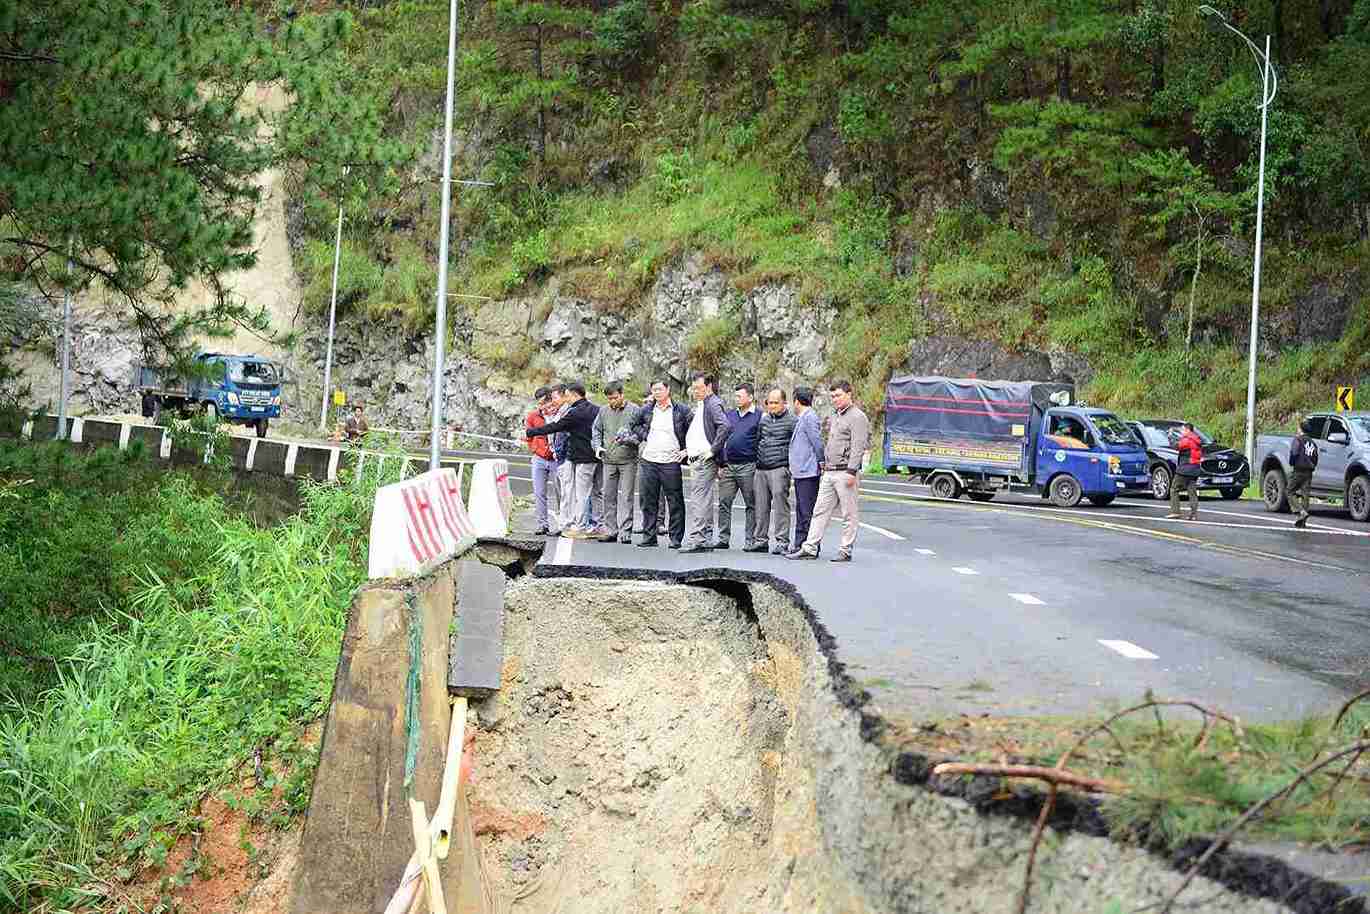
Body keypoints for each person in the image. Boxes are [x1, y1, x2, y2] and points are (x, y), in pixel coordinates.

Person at [789, 380, 869, 563]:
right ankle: (809, 546)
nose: (835, 399)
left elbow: (858, 445)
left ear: (849, 394)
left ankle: (845, 549)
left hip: (845, 471)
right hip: (830, 470)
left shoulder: (857, 417)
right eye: (832, 396)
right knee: (819, 510)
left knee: (848, 513)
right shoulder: (835, 415)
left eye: (838, 395)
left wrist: (852, 470)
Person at [619, 379, 692, 548]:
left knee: (675, 501)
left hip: (671, 461)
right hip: (649, 460)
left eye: (660, 389)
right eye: (654, 390)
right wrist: (645, 434)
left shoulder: (681, 410)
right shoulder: (647, 409)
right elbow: (632, 424)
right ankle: (649, 536)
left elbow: (693, 430)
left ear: (668, 390)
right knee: (648, 500)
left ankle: (675, 539)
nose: (657, 393)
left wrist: (686, 450)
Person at [526, 382, 599, 538]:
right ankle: (578, 523)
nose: (559, 399)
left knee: (578, 493)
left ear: (573, 395)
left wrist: (531, 432)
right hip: (580, 456)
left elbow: (555, 427)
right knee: (579, 493)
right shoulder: (594, 409)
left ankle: (580, 525)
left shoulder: (573, 412)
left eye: (563, 395)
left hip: (577, 457)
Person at [680, 372, 730, 554]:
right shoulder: (704, 404)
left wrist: (712, 450)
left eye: (699, 388)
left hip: (703, 460)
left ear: (709, 387)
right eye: (694, 388)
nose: (696, 392)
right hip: (698, 458)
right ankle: (705, 537)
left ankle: (698, 539)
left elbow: (725, 426)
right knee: (704, 498)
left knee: (699, 499)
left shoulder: (713, 403)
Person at [591, 382, 641, 544]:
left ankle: (626, 531)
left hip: (628, 461)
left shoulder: (634, 410)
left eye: (615, 398)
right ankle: (611, 530)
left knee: (626, 497)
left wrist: (630, 440)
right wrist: (597, 446)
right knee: (608, 496)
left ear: (622, 394)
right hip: (608, 461)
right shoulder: (603, 411)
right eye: (609, 399)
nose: (612, 401)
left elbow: (641, 434)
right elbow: (596, 430)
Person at [750, 388, 797, 555]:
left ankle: (782, 541)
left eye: (776, 402)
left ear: (785, 402)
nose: (772, 406)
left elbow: (796, 446)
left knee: (780, 506)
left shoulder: (792, 421)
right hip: (761, 469)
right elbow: (757, 440)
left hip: (779, 468)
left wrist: (789, 468)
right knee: (761, 507)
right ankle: (761, 540)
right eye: (770, 402)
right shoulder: (764, 421)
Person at [715, 383, 761, 549]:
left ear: (750, 397)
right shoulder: (729, 415)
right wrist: (720, 463)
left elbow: (761, 441)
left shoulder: (759, 416)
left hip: (749, 466)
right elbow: (720, 439)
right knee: (724, 502)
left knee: (751, 504)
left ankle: (750, 540)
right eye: (735, 396)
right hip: (728, 466)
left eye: (740, 396)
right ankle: (723, 538)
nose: (737, 399)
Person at [786, 386, 823, 556]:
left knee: (807, 510)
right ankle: (800, 543)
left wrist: (821, 460)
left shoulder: (809, 417)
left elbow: (816, 441)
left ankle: (809, 546)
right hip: (801, 471)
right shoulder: (803, 417)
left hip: (808, 471)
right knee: (801, 509)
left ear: (796, 401)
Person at [526, 387, 560, 535]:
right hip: (539, 458)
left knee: (561, 492)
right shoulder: (533, 416)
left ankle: (563, 523)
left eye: (544, 402)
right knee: (539, 492)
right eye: (539, 403)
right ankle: (542, 524)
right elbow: (529, 436)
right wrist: (535, 449)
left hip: (556, 458)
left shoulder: (559, 414)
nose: (542, 406)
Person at [1168, 421, 1203, 521]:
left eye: (1183, 430)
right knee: (1192, 492)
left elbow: (1176, 446)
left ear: (1187, 430)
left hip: (1185, 469)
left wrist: (1170, 436)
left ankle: (1175, 512)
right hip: (1195, 469)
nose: (1182, 432)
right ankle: (1194, 515)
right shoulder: (1197, 439)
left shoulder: (1188, 440)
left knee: (1174, 489)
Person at [1289, 415, 1319, 528]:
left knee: (1289, 491)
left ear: (1300, 429)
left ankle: (1301, 512)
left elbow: (1294, 453)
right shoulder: (1312, 442)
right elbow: (1315, 457)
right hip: (1309, 471)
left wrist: (1292, 462)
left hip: (1298, 470)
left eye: (1298, 428)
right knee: (1305, 494)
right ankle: (1302, 521)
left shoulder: (1298, 440)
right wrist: (1312, 466)